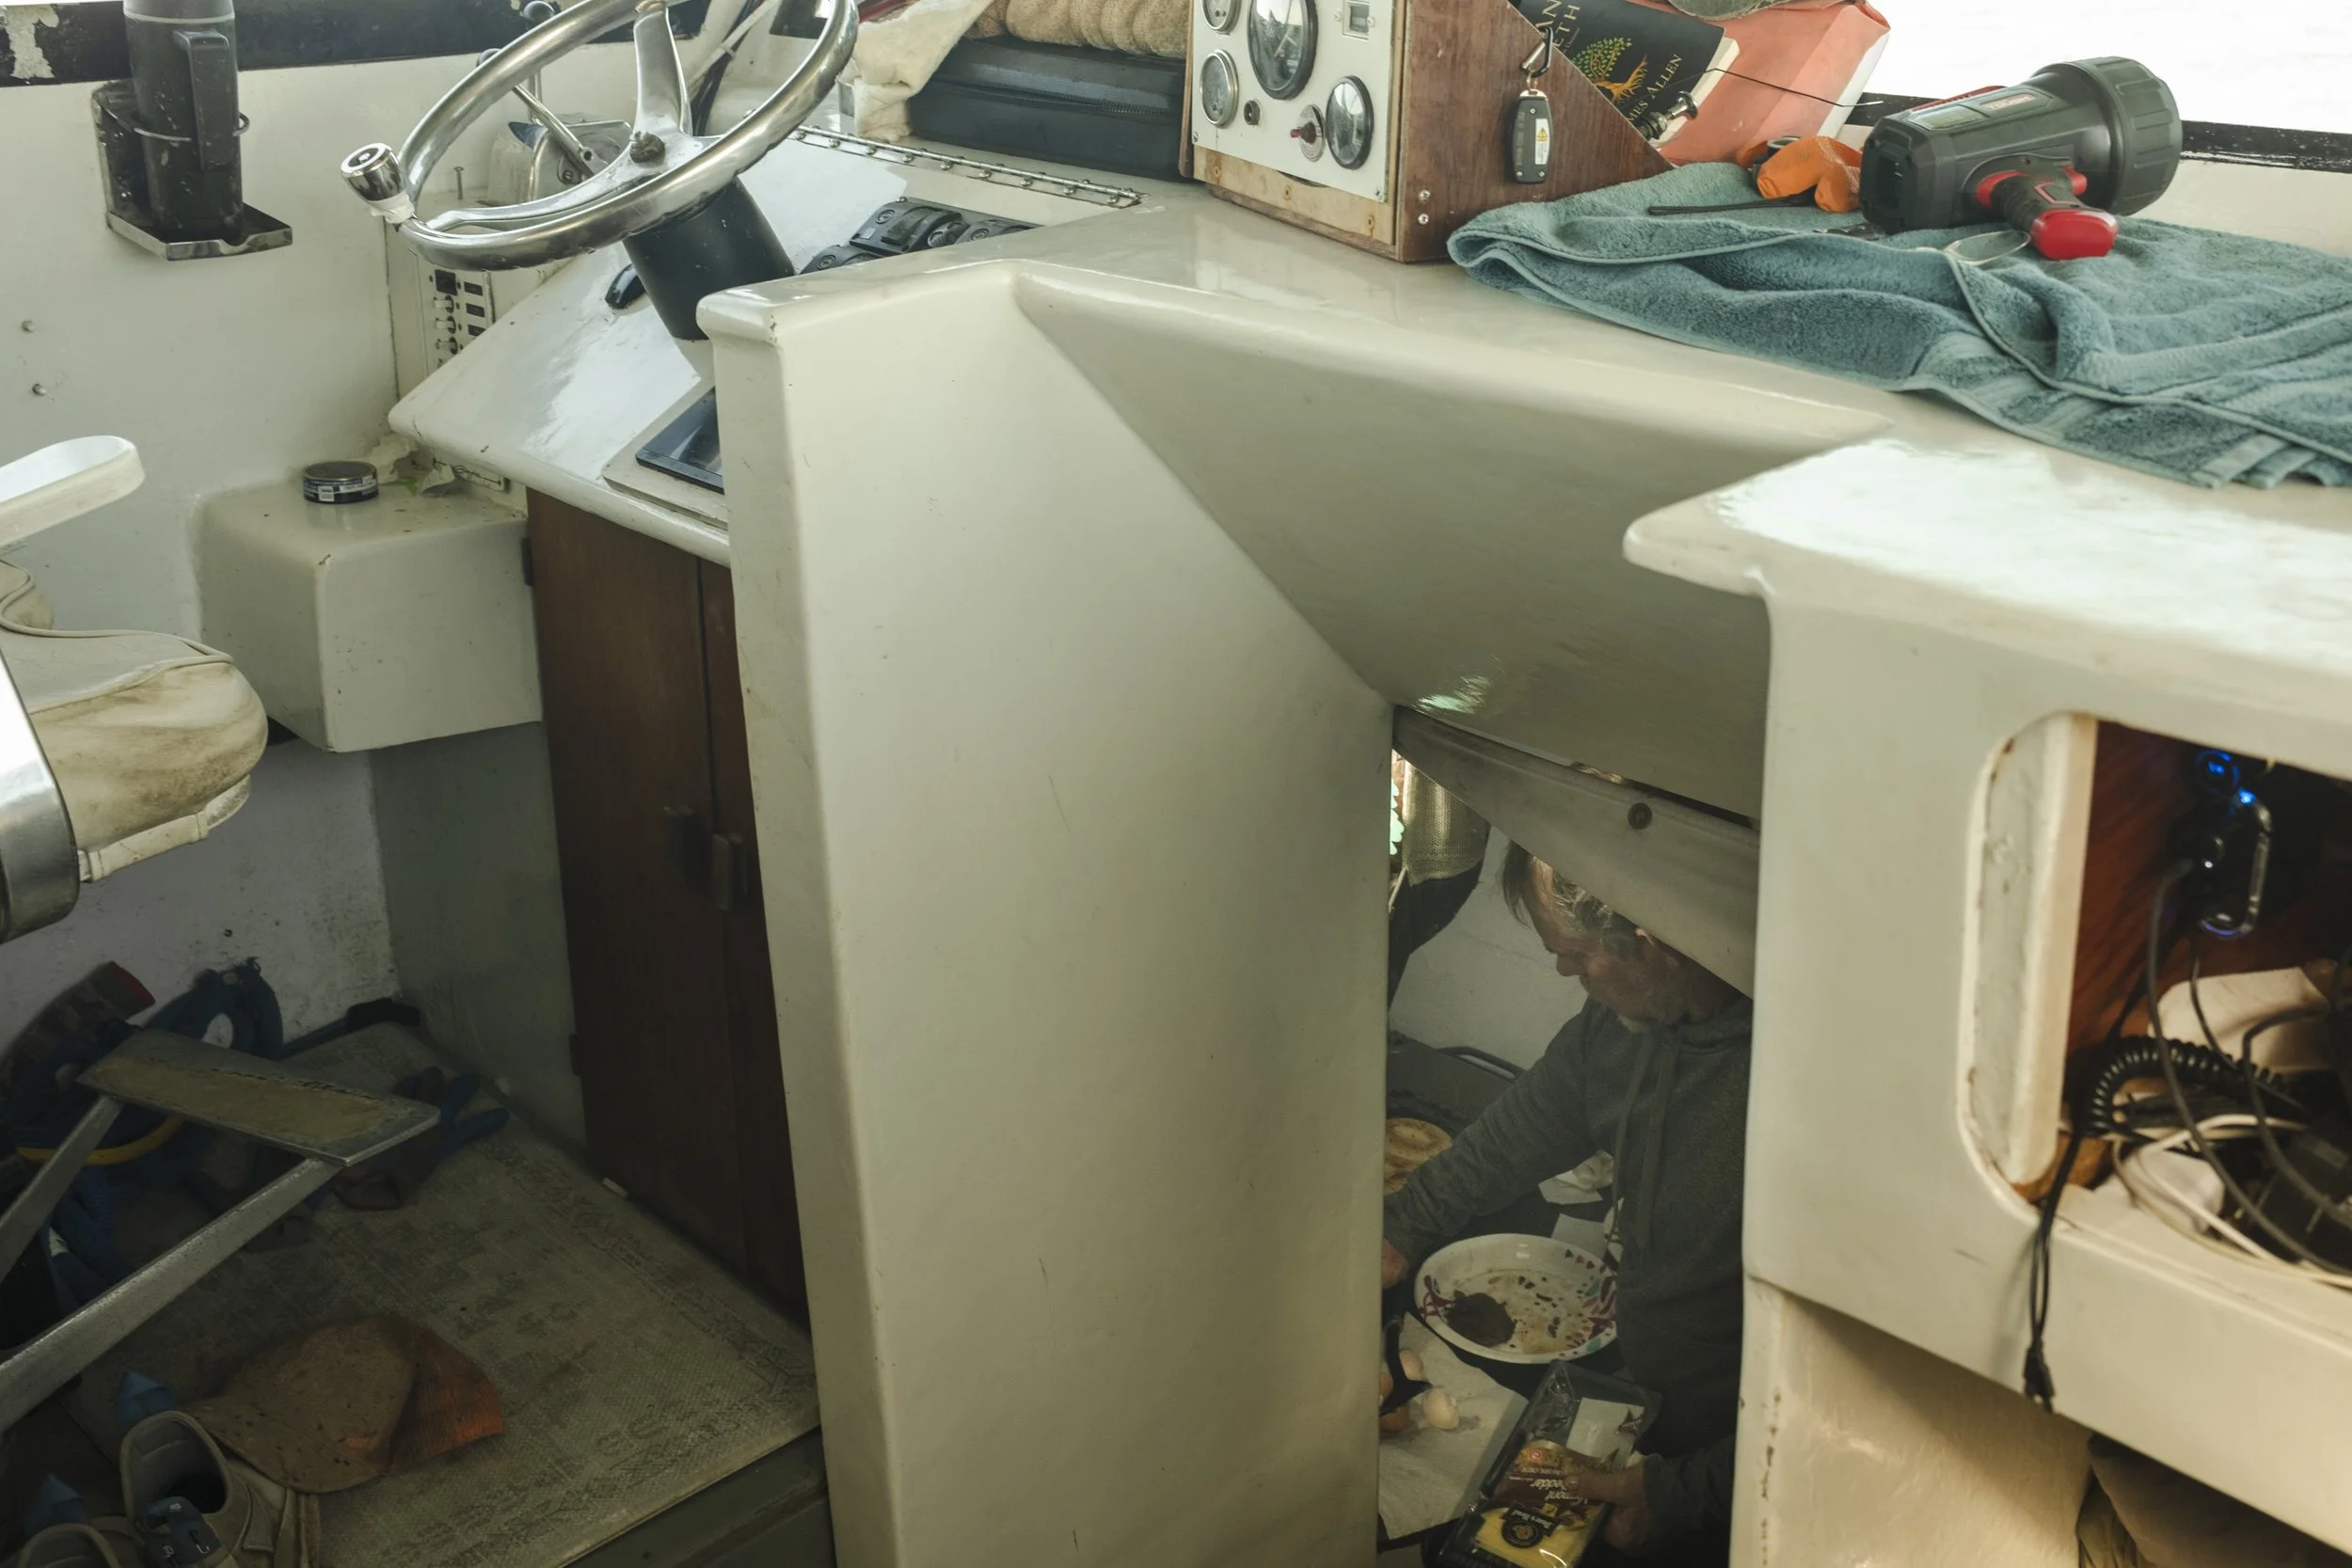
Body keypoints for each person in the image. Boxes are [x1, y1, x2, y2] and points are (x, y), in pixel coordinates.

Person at [1384, 844, 1749, 1563]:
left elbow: (1847, 1400)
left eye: (1577, 955)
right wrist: (1397, 1230)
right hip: (1642, 1409)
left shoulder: (1778, 1081)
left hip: (1738, 1467)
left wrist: (1682, 1493)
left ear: (1652, 945)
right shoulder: (1615, 1031)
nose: (1563, 971)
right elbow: (1507, 1141)